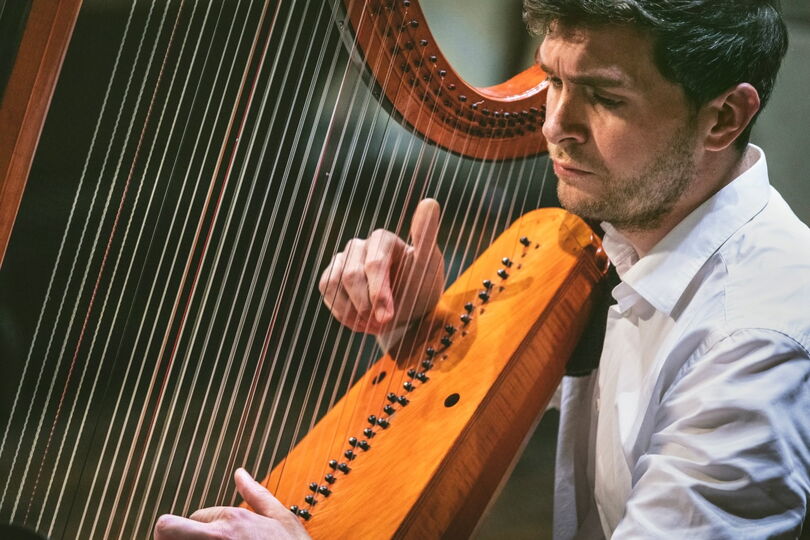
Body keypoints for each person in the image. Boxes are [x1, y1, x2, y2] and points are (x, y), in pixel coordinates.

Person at [154, 0, 810, 538]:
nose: (554, 126)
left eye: (604, 97)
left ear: (723, 118)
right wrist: (420, 323)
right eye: (553, 82)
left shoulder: (754, 343)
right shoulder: (638, 231)